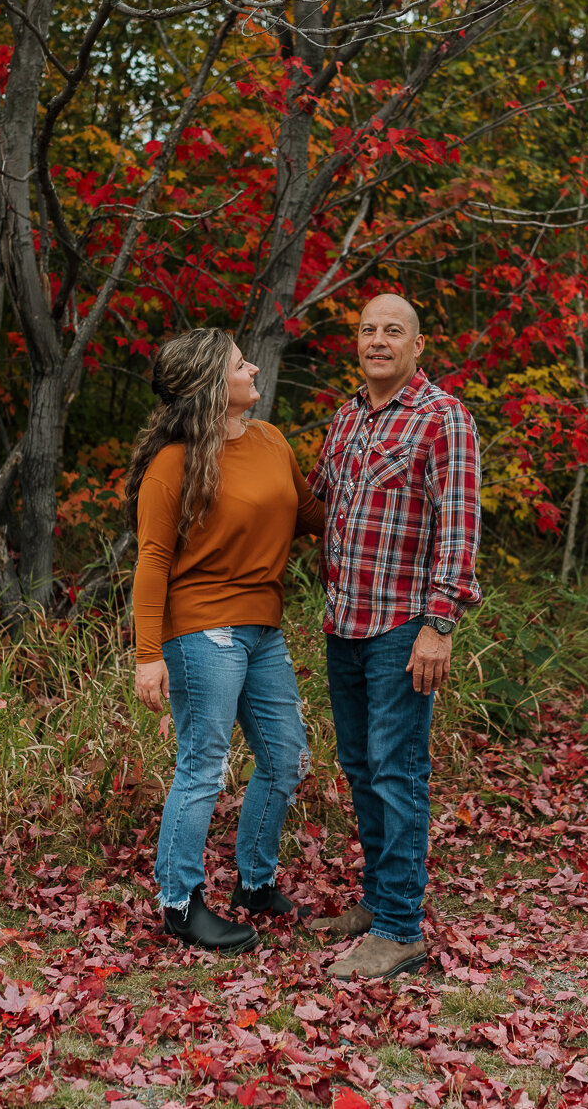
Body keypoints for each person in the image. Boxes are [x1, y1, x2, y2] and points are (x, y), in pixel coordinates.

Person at [126, 327, 324, 956]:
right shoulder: (174, 463)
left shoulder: (270, 442)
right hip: (201, 629)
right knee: (204, 767)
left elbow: (313, 516)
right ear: (214, 385)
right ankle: (179, 904)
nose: (255, 368)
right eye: (242, 364)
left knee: (286, 757)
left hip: (262, 630)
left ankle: (255, 885)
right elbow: (153, 560)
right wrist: (147, 654)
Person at [306, 293, 481, 980]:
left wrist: (439, 626)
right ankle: (379, 903)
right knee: (359, 768)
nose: (378, 341)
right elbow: (311, 503)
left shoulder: (443, 420)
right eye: (368, 330)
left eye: (392, 331)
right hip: (343, 622)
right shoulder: (348, 417)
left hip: (403, 626)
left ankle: (401, 930)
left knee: (396, 770)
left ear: (418, 345)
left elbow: (459, 530)